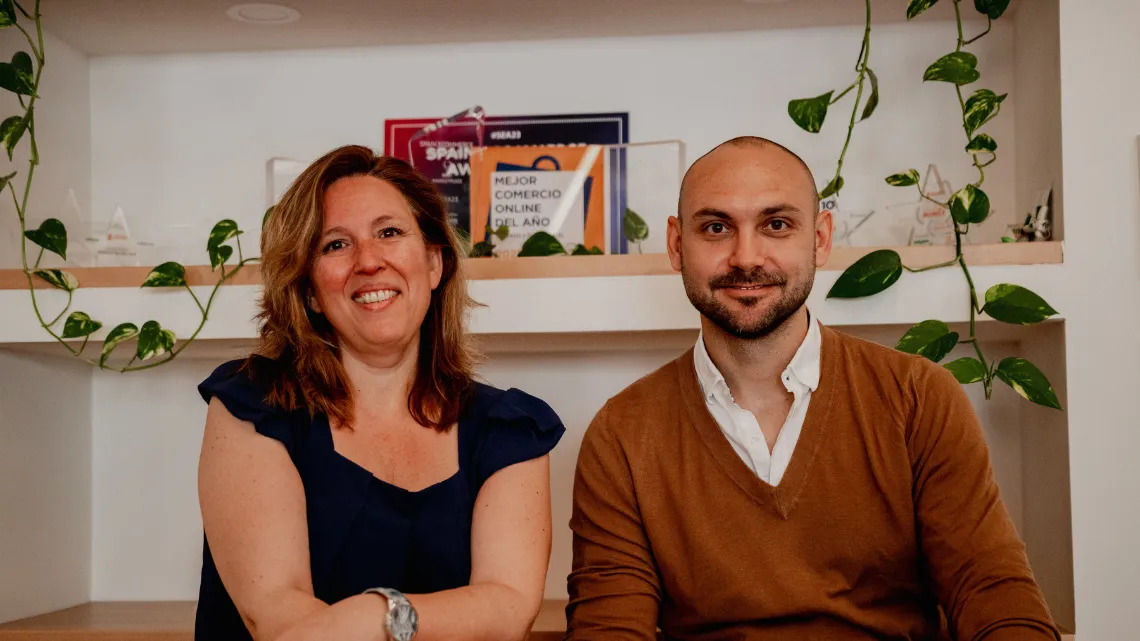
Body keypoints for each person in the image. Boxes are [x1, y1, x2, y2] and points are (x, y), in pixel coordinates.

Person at [565, 136, 1059, 640]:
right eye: (716, 228)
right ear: (676, 245)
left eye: (776, 225)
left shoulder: (917, 397)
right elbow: (609, 626)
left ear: (821, 238)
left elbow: (992, 590)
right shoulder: (623, 432)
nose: (745, 257)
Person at [195, 145, 564, 641]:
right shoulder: (254, 405)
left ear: (434, 264)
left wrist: (381, 615)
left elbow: (506, 609)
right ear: (308, 291)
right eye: (335, 245)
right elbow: (278, 618)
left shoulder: (508, 429)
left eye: (389, 232)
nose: (369, 261)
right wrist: (422, 617)